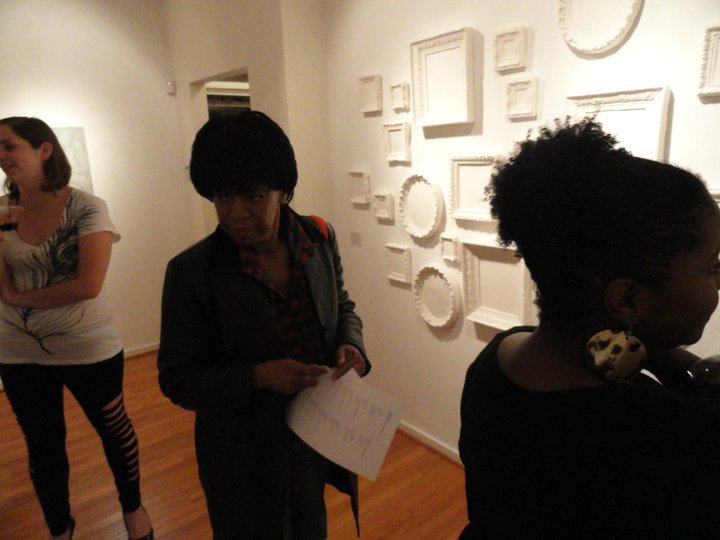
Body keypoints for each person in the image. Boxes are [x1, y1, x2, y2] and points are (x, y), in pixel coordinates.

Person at [459, 118, 720, 538]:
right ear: (627, 299)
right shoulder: (677, 438)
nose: (718, 280)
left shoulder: (495, 361)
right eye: (711, 267)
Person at [157, 110, 370, 539]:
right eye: (223, 197)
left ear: (283, 191)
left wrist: (351, 344)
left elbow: (342, 305)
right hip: (242, 453)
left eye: (254, 196)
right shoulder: (191, 273)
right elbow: (177, 379)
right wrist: (258, 375)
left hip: (315, 434)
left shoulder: (319, 237)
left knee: (310, 527)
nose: (236, 213)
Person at [0, 117, 153, 540]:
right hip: (18, 352)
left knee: (114, 430)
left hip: (88, 348)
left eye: (9, 145)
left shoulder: (86, 207)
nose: (2, 156)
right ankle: (59, 528)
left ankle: (133, 509)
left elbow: (88, 285)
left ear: (44, 150)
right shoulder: (2, 210)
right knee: (42, 445)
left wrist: (17, 298)